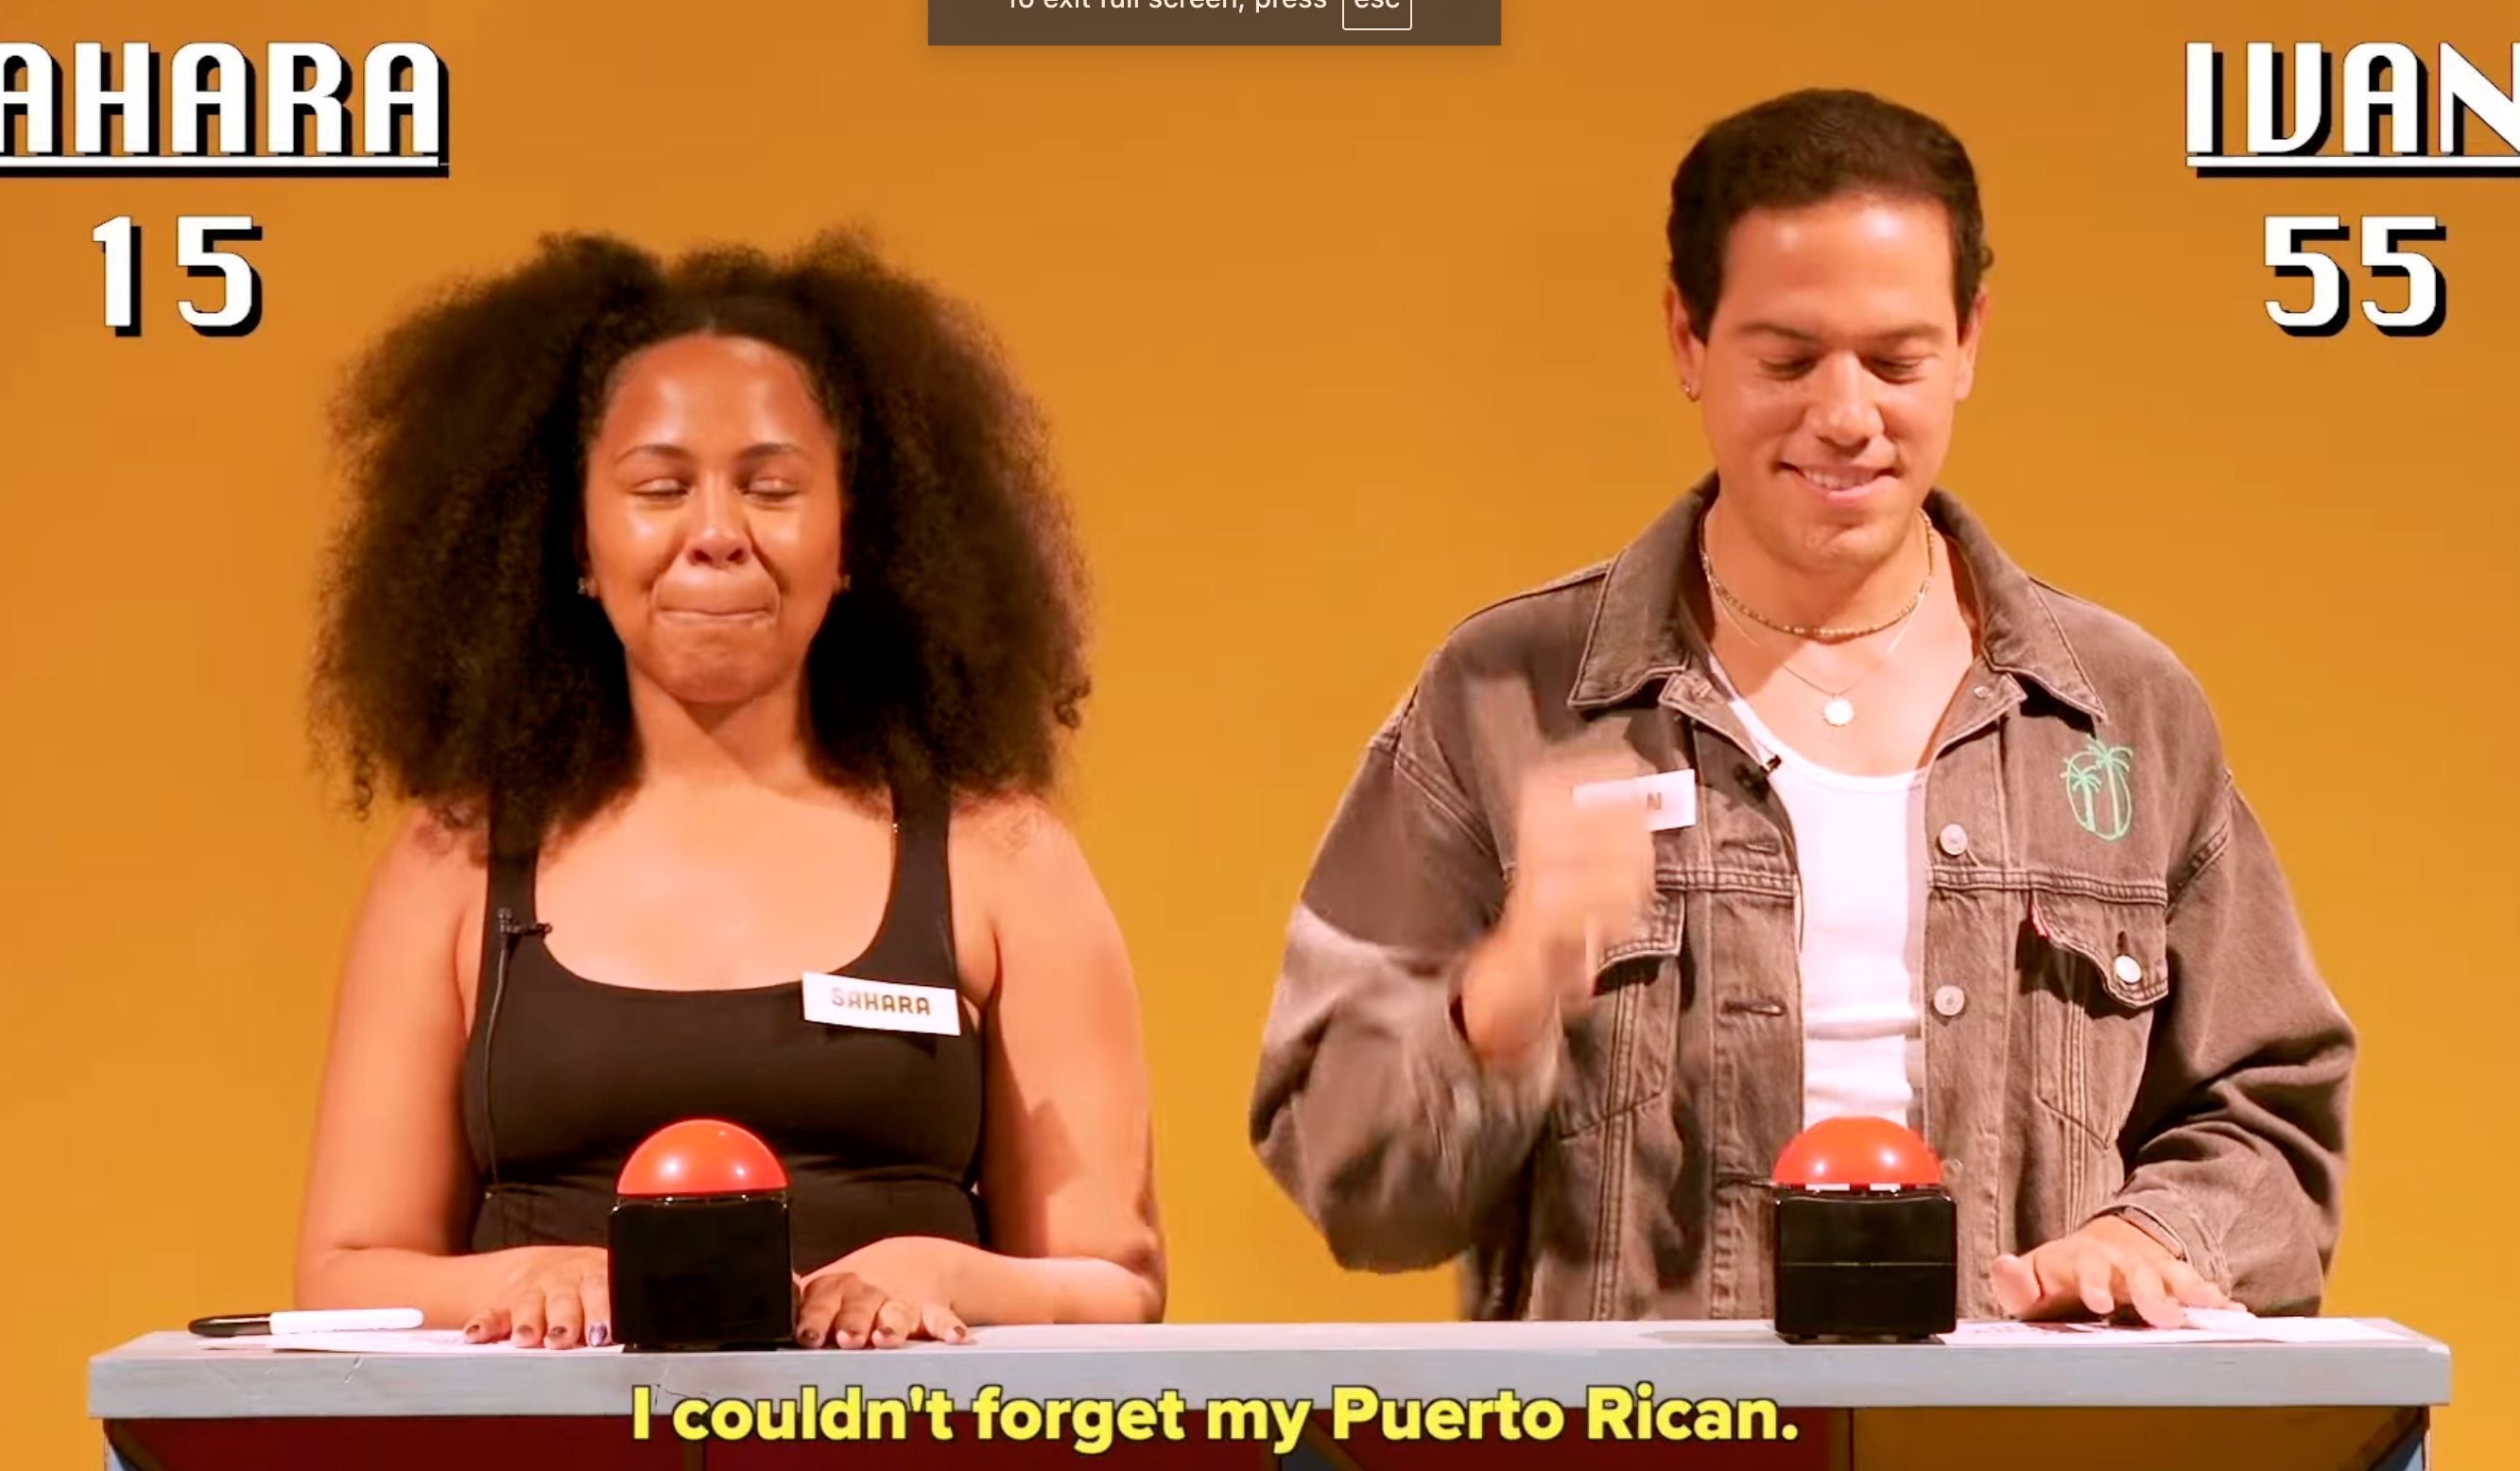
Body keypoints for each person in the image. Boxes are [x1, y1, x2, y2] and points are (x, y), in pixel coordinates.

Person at [1249, 88, 2354, 1328]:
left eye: (1894, 360)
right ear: (1685, 340)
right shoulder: (1504, 696)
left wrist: (2146, 1236)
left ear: (1970, 340)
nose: (1843, 416)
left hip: (2015, 1439)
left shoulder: (2118, 713)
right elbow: (1341, 1174)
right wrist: (1497, 1007)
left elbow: (2272, 1104)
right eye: (1784, 360)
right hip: (1650, 1442)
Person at [294, 229, 1165, 1350]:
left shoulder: (1001, 857)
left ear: (851, 536)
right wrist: (539, 1276)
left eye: (770, 487)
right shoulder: (455, 861)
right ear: (576, 540)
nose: (715, 536)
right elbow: (345, 1269)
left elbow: (1116, 1277)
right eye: (660, 488)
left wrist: (940, 1269)